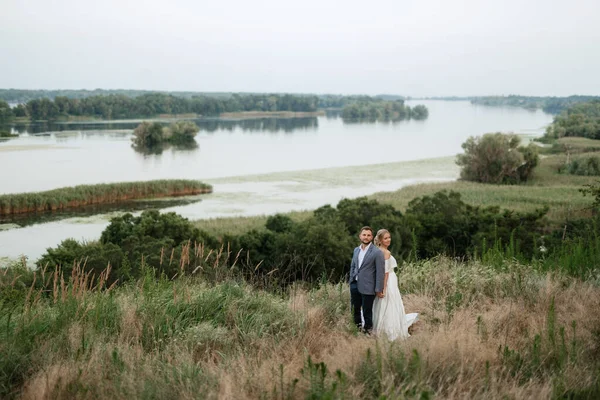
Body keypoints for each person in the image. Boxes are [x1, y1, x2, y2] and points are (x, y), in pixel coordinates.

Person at [372, 229, 418, 340]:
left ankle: (380, 328)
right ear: (380, 240)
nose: (388, 240)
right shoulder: (386, 252)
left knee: (383, 303)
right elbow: (386, 272)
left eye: (389, 237)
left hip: (383, 279)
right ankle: (391, 330)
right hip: (388, 280)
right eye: (385, 238)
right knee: (390, 302)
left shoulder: (377, 250)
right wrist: (383, 287)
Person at [349, 226, 385, 334]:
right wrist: (351, 279)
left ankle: (368, 332)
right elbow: (353, 265)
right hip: (355, 284)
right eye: (364, 235)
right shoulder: (356, 250)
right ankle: (357, 329)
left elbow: (380, 272)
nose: (366, 237)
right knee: (354, 310)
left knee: (367, 311)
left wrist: (378, 289)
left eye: (368, 235)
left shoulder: (376, 252)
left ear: (372, 237)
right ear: (360, 236)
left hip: (368, 287)